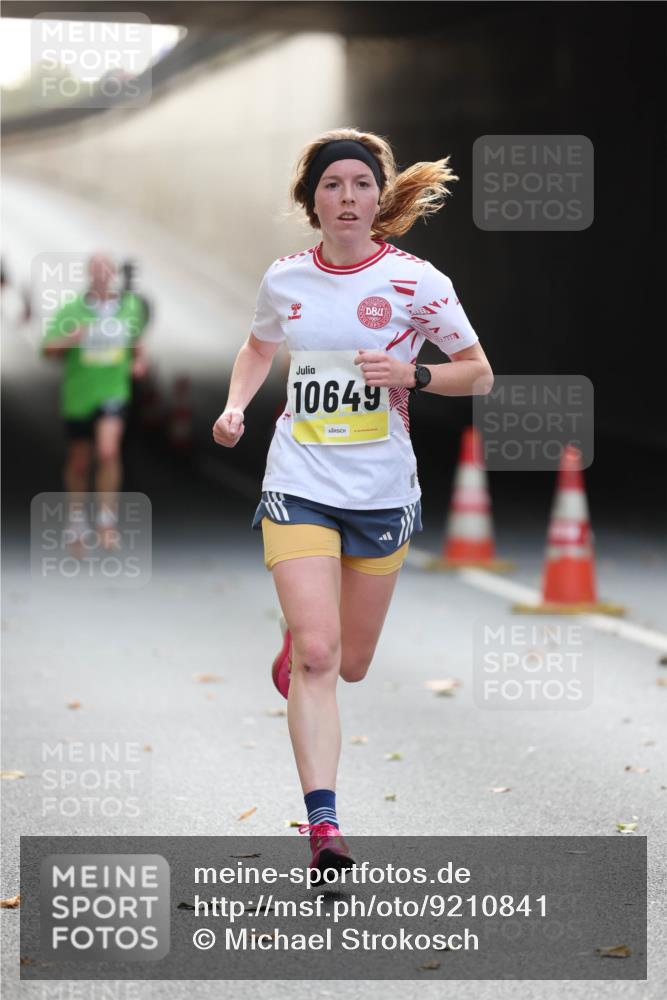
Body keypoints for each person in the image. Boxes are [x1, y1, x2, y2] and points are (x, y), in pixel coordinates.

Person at [212, 128, 493, 876]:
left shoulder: (416, 282)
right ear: (312, 200)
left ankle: (307, 643)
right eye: (332, 185)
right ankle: (324, 826)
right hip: (298, 480)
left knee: (352, 663)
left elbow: (478, 373)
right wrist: (237, 404)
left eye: (361, 185)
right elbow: (258, 347)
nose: (347, 198)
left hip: (380, 491)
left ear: (379, 198)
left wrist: (413, 378)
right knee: (318, 656)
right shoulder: (286, 280)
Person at [41, 253, 149, 549]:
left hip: (113, 391)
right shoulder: (72, 310)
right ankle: (76, 521)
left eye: (106, 269)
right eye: (96, 269)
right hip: (79, 396)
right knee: (79, 461)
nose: (102, 275)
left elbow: (137, 342)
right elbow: (47, 349)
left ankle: (106, 521)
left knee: (108, 451)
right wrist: (71, 338)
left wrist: (139, 361)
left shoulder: (129, 307)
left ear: (112, 273)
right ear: (89, 273)